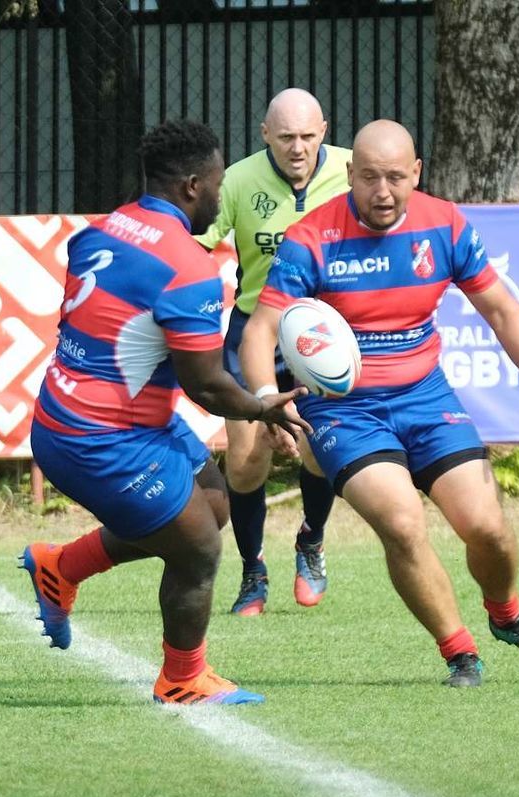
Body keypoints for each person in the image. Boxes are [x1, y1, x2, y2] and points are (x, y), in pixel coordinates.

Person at [240, 119, 519, 687]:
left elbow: (500, 308)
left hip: (426, 398)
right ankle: (460, 653)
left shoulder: (442, 223)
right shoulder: (312, 238)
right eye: (369, 177)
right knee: (402, 522)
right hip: (344, 411)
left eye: (396, 177)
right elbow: (259, 332)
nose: (383, 191)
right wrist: (267, 399)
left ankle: (507, 614)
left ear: (416, 173)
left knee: (488, 528)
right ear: (349, 174)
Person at [20, 120, 309, 706]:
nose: (223, 194)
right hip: (99, 438)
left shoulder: (110, 227)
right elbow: (204, 385)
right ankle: (182, 678)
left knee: (217, 502)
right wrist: (263, 408)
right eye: (220, 183)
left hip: (92, 414)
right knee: (198, 548)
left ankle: (61, 566)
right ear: (193, 186)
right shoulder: (189, 266)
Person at [194, 88, 352, 616]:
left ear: (324, 131)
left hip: (322, 335)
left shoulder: (355, 171)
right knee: (245, 459)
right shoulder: (237, 180)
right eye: (286, 137)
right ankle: (252, 569)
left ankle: (311, 540)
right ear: (266, 136)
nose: (298, 148)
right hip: (252, 329)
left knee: (318, 450)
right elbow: (196, 242)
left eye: (308, 136)